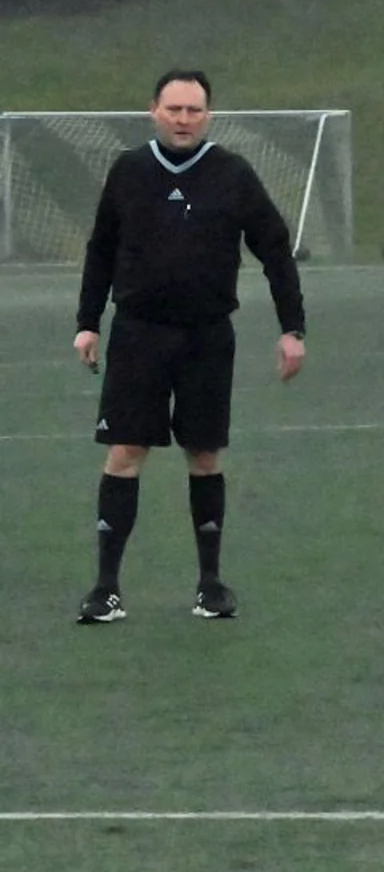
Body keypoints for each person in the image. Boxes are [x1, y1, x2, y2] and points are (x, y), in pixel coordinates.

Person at [72, 69, 307, 625]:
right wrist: (88, 322)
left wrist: (292, 329)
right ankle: (106, 588)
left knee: (204, 455)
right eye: (174, 109)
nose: (183, 120)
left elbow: (275, 251)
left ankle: (210, 585)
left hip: (206, 338)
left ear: (208, 115)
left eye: (194, 111)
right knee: (125, 453)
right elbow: (101, 250)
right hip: (138, 335)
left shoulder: (233, 175)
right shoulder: (129, 170)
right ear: (153, 109)